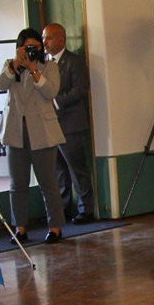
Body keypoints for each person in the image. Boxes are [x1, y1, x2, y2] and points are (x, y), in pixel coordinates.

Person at [0, 28, 65, 244]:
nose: (32, 51)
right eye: (27, 47)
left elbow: (51, 92)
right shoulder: (11, 65)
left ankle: (55, 227)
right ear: (19, 48)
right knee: (17, 183)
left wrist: (35, 71)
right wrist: (15, 65)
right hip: (17, 131)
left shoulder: (49, 66)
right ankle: (20, 228)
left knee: (48, 182)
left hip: (43, 131)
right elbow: (0, 84)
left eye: (35, 47)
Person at [42, 23, 97, 225]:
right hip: (51, 126)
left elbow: (81, 89)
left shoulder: (73, 61)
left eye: (48, 38)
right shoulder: (45, 64)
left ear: (61, 40)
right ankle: (62, 209)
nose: (44, 43)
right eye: (43, 38)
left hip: (72, 124)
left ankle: (86, 209)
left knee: (77, 168)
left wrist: (56, 102)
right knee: (58, 170)